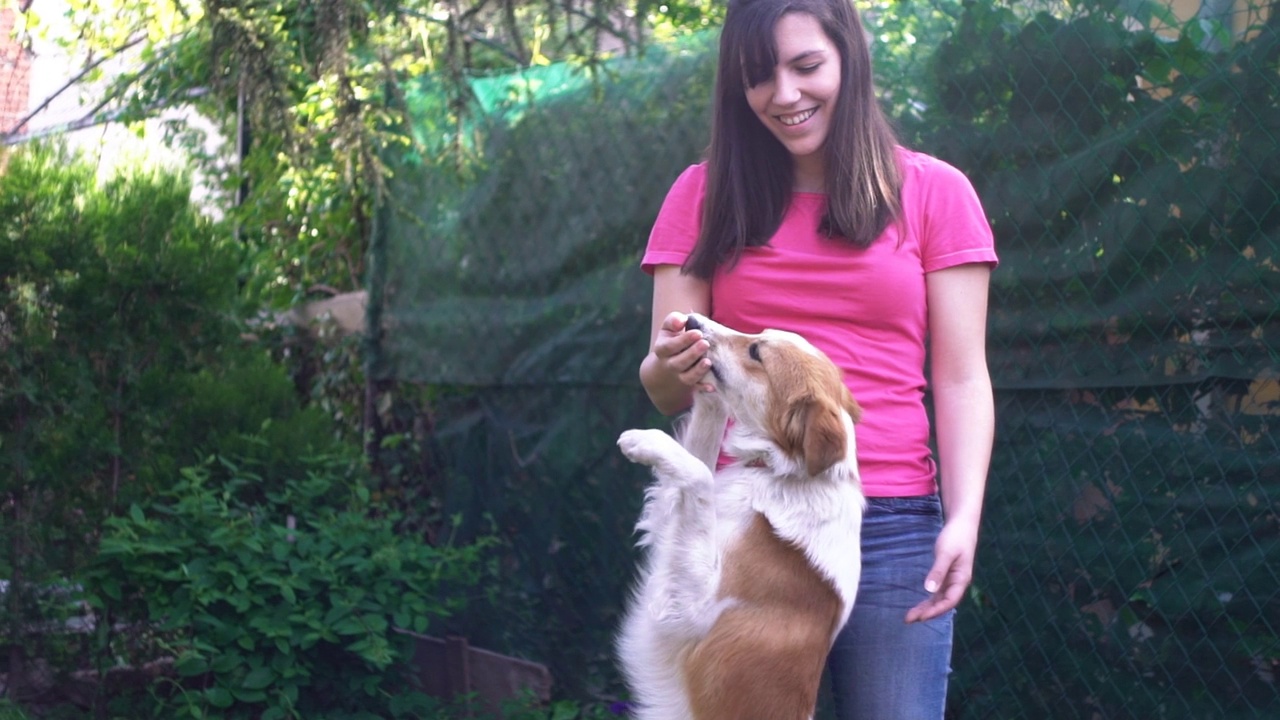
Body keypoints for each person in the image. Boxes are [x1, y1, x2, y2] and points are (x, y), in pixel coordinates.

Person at [636, 0, 997, 717]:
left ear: (849, 58)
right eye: (759, 77)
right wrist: (670, 366)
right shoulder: (701, 195)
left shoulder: (935, 192)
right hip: (746, 520)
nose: (786, 95)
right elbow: (663, 388)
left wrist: (963, 517)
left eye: (806, 66)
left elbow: (959, 378)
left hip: (891, 522)